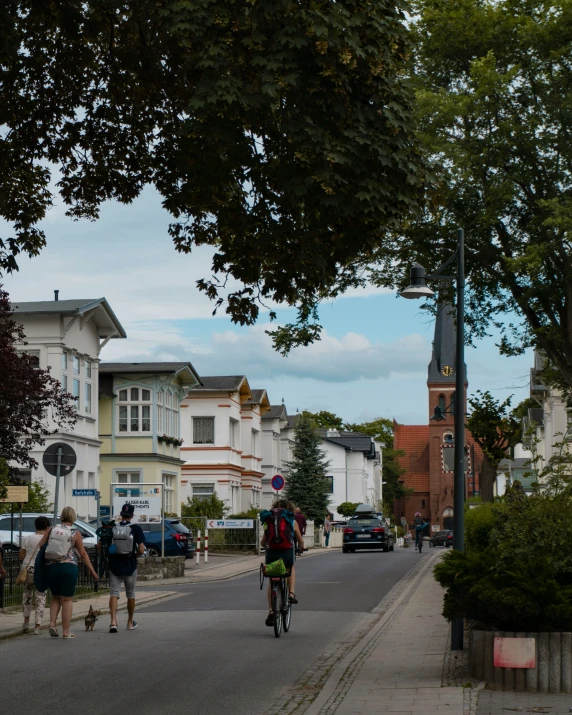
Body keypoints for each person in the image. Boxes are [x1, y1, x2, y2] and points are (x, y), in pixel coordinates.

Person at [39, 506, 99, 638]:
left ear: (62, 516)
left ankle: (52, 624)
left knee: (55, 596)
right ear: (73, 517)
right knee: (66, 599)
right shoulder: (75, 532)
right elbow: (83, 554)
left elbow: (41, 545)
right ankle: (66, 632)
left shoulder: (52, 529)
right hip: (68, 568)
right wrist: (93, 571)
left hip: (52, 567)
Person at [260, 498, 305, 626]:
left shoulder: (268, 521)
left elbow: (263, 542)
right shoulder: (291, 520)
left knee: (271, 580)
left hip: (272, 553)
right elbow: (300, 539)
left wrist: (264, 545)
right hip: (286, 551)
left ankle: (271, 611)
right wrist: (301, 547)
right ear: (289, 508)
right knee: (290, 567)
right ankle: (291, 593)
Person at [102, 503, 145, 633]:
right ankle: (130, 622)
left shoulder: (112, 528)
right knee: (130, 594)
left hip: (114, 564)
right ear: (132, 516)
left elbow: (101, 545)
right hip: (129, 564)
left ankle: (113, 622)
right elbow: (142, 550)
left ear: (121, 515)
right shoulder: (136, 529)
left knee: (114, 593)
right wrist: (134, 555)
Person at [19, 515, 49, 634]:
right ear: (47, 527)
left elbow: (21, 556)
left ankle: (26, 623)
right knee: (40, 597)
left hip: (27, 569)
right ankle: (37, 626)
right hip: (40, 569)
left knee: (27, 595)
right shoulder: (47, 540)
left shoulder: (27, 538)